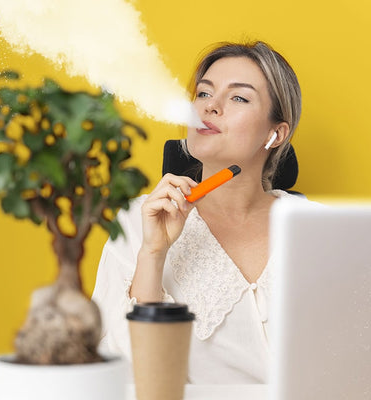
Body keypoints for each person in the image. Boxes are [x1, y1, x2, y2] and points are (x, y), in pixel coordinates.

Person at [91, 41, 304, 384]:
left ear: (275, 133)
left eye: (238, 98)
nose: (211, 107)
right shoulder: (138, 220)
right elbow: (119, 371)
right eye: (203, 94)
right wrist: (153, 253)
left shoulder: (316, 226)